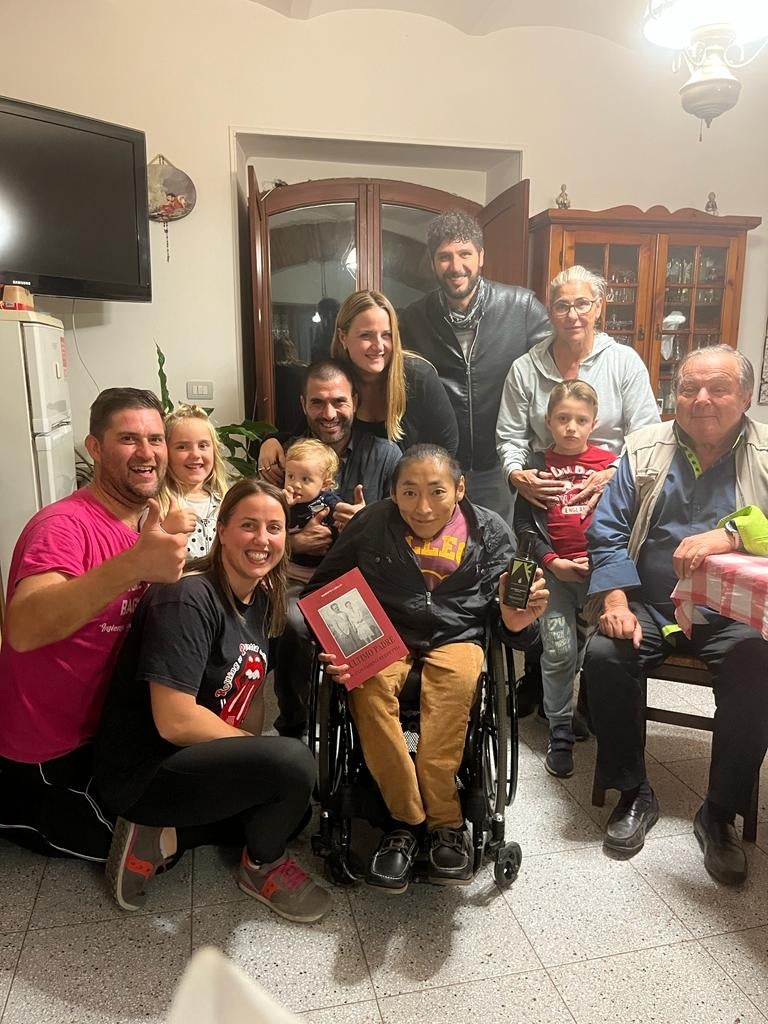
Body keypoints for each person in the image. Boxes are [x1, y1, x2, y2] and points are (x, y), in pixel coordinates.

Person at [305, 444, 548, 893]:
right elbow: (322, 590)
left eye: (436, 491)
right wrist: (336, 642)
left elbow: (514, 628)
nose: (422, 507)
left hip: (458, 636)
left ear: (459, 488)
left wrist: (517, 623)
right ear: (392, 492)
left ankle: (441, 823)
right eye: (409, 492)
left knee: (453, 697)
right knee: (366, 690)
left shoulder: (491, 532)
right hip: (384, 635)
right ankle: (411, 820)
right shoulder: (370, 523)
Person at [95, 478, 332, 922]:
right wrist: (261, 758)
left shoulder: (260, 599)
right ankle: (261, 869)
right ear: (221, 530)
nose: (262, 539)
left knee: (294, 808)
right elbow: (174, 721)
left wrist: (255, 762)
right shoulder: (186, 598)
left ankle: (164, 838)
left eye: (274, 528)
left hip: (194, 759)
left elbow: (251, 690)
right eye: (248, 525)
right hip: (147, 769)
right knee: (292, 765)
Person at [584, 345, 768, 886]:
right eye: (689, 388)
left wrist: (731, 533)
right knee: (605, 654)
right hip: (650, 600)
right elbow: (607, 531)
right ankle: (633, 791)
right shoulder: (643, 447)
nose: (701, 399)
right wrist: (614, 600)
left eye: (718, 388)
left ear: (746, 397)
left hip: (732, 610)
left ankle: (720, 812)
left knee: (759, 667)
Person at [0, 388, 189, 860]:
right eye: (128, 439)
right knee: (150, 853)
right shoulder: (62, 526)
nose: (146, 453)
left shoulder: (145, 521)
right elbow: (22, 629)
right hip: (50, 752)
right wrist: (134, 564)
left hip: (111, 734)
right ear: (95, 448)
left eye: (155, 439)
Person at [496, 264, 659, 718]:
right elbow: (509, 436)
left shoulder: (623, 362)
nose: (572, 314)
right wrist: (517, 474)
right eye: (562, 305)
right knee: (540, 588)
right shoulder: (526, 368)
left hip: (609, 495)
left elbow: (647, 434)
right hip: (544, 493)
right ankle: (539, 674)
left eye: (582, 303)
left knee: (600, 588)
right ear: (550, 311)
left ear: (599, 307)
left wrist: (613, 475)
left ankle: (593, 683)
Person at [259, 361, 403, 738]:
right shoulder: (284, 459)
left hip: (363, 580)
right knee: (293, 624)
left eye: (339, 401)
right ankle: (294, 726)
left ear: (355, 400)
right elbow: (256, 530)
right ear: (303, 404)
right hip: (298, 581)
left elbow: (409, 530)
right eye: (317, 402)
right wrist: (292, 543)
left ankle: (372, 723)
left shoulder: (385, 456)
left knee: (378, 626)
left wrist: (368, 523)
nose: (329, 413)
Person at [399, 209, 551, 523]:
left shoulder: (521, 308)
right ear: (432, 263)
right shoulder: (413, 319)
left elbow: (556, 378)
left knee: (497, 545)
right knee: (441, 548)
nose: (456, 267)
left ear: (481, 256)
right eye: (444, 257)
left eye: (465, 254)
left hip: (499, 466)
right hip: (438, 468)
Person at [513, 381, 617, 778]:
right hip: (553, 575)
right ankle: (560, 732)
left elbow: (625, 519)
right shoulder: (536, 467)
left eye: (581, 420)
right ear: (548, 421)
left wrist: (602, 558)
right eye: (562, 418)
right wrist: (552, 561)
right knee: (558, 649)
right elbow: (523, 524)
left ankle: (569, 708)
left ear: (594, 422)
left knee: (588, 653)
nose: (571, 427)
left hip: (598, 577)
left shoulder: (610, 466)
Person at [261, 290, 459, 472]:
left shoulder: (419, 377)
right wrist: (271, 441)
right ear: (343, 337)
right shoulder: (336, 380)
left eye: (386, 335)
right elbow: (303, 427)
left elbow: (447, 447)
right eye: (366, 335)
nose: (378, 346)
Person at [162, 404, 230, 559]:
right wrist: (165, 531)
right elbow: (148, 557)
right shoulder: (161, 505)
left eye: (203, 445)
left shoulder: (225, 501)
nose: (195, 454)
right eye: (182, 447)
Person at [283, 437, 341, 583]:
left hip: (321, 571)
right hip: (289, 569)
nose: (295, 484)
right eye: (290, 476)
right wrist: (283, 506)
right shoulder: (281, 500)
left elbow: (343, 525)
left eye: (305, 479)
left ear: (324, 484)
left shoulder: (328, 502)